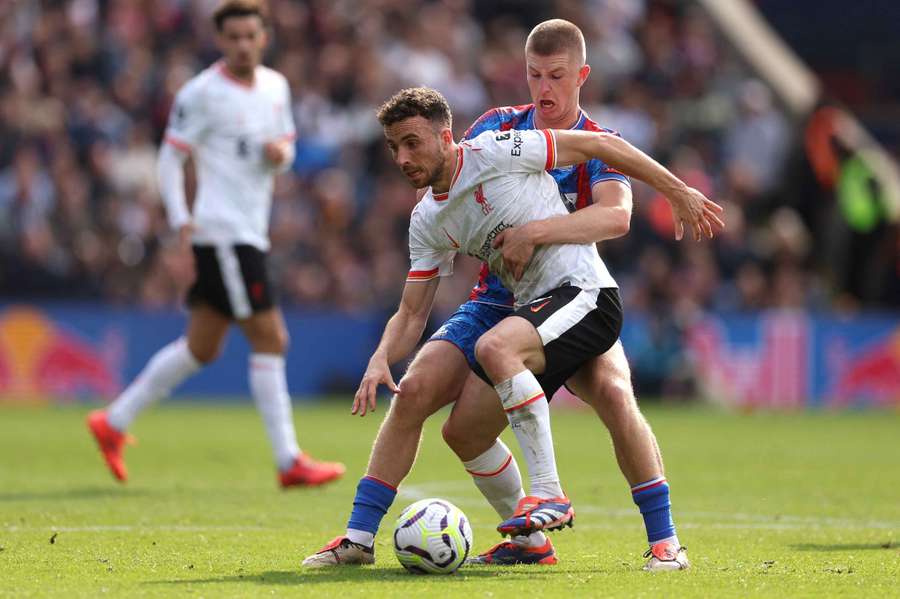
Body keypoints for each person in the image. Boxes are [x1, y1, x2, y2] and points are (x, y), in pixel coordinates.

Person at [302, 81, 721, 569]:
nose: (402, 157)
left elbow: (605, 157)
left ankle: (625, 525)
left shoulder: (501, 147)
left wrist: (678, 190)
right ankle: (367, 539)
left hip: (581, 291)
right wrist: (379, 358)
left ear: (445, 136)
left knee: (600, 389)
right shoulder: (426, 220)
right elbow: (413, 310)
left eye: (412, 142)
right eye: (394, 147)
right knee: (436, 409)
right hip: (514, 304)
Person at [86, 0, 344, 488]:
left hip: (251, 229)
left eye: (251, 35)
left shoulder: (276, 86)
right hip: (224, 232)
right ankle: (289, 460)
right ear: (220, 41)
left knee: (201, 347)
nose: (243, 44)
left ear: (263, 37)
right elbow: (169, 158)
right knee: (272, 339)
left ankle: (113, 420)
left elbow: (284, 151)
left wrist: (281, 154)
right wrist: (180, 218)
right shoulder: (201, 93)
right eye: (233, 37)